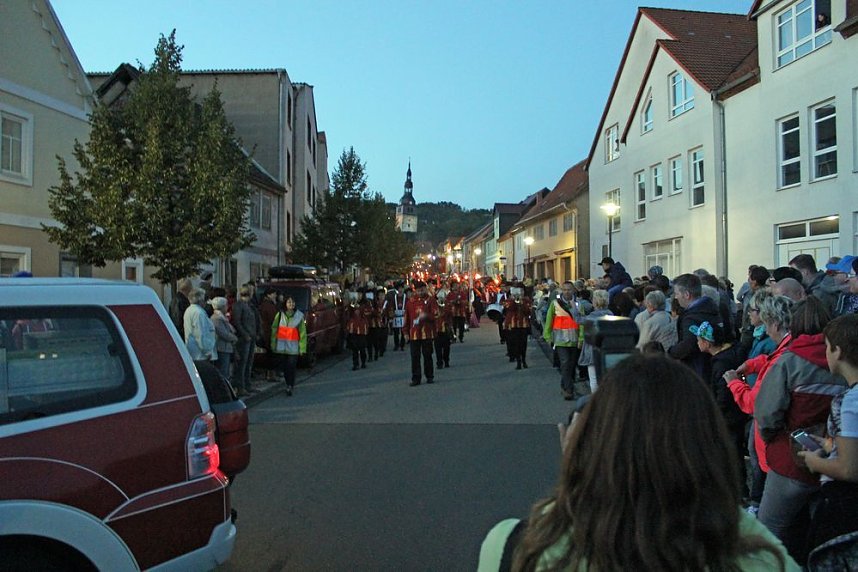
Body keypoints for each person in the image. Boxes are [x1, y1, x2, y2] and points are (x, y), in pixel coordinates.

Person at [478, 354, 797, 571]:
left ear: (581, 439)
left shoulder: (514, 545)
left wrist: (575, 473)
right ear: (710, 446)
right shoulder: (758, 554)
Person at [753, 297, 846, 560]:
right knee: (818, 539)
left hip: (790, 462)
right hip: (837, 461)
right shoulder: (847, 361)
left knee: (768, 536)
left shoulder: (789, 361)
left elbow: (767, 413)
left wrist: (771, 438)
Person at [798, 314, 858, 557]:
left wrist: (815, 462)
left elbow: (849, 469)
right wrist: (831, 444)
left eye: (827, 347)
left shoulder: (849, 400)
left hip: (845, 504)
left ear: (839, 351)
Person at [693, 320, 749, 499]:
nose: (696, 342)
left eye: (699, 339)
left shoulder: (720, 364)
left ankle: (737, 492)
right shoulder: (730, 354)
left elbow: (723, 397)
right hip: (738, 415)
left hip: (728, 418)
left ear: (707, 343)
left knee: (730, 455)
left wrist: (713, 416)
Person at [668, 273, 721, 379]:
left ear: (686, 295)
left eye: (677, 293)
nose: (676, 297)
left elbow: (689, 344)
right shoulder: (711, 308)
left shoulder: (692, 317)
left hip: (697, 369)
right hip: (713, 365)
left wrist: (670, 352)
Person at [543, 281, 583, 401]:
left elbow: (582, 323)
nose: (567, 292)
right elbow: (549, 320)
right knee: (565, 363)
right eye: (564, 289)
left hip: (574, 340)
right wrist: (547, 336)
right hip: (560, 340)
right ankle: (568, 390)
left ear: (573, 290)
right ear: (561, 290)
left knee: (571, 365)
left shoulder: (578, 304)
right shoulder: (555, 304)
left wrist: (581, 338)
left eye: (569, 289)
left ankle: (564, 384)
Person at [577, 289, 613, 394]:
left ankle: (597, 403)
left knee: (594, 380)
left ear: (595, 302)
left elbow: (578, 320)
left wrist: (574, 308)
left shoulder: (591, 317)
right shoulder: (611, 315)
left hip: (592, 351)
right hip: (607, 350)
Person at [270, 295, 307, 396]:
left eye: (293, 302)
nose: (291, 304)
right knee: (286, 368)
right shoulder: (280, 315)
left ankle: (290, 385)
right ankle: (288, 384)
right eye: (289, 302)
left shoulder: (299, 315)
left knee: (291, 367)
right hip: (281, 347)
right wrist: (273, 344)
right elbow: (274, 329)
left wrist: (302, 348)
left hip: (293, 347)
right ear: (285, 304)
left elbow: (303, 333)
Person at [404, 281, 439, 386]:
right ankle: (416, 378)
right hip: (414, 333)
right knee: (415, 357)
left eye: (422, 289)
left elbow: (436, 315)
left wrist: (426, 316)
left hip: (427, 333)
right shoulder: (410, 302)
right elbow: (407, 318)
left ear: (425, 289)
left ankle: (429, 376)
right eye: (418, 290)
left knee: (427, 355)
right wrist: (405, 332)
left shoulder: (431, 300)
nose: (420, 292)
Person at [230, 285, 258, 396]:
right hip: (243, 338)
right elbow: (237, 322)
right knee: (242, 363)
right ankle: (240, 386)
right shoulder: (238, 305)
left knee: (249, 362)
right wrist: (245, 334)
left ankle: (247, 384)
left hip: (251, 337)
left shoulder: (249, 305)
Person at [183, 287, 216, 362]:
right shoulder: (199, 313)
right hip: (200, 354)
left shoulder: (189, 310)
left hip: (194, 351)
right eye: (204, 299)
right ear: (200, 300)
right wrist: (207, 351)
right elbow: (200, 334)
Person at [210, 296, 238, 384]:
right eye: (226, 305)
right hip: (222, 347)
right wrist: (234, 338)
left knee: (226, 370)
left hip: (226, 347)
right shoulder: (216, 318)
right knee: (223, 371)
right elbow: (223, 333)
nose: (227, 307)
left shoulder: (222, 317)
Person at [503, 284, 531, 370]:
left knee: (523, 344)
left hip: (523, 325)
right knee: (515, 344)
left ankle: (524, 360)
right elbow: (508, 309)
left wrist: (522, 303)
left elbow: (528, 312)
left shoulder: (526, 300)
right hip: (513, 325)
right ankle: (518, 361)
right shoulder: (508, 300)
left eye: (521, 291)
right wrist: (514, 300)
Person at [344, 290, 370, 371]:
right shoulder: (352, 304)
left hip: (362, 328)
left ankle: (363, 362)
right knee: (354, 348)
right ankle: (355, 364)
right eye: (358, 294)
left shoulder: (366, 303)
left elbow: (367, 312)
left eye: (360, 294)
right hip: (353, 328)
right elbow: (348, 312)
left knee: (362, 347)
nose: (359, 295)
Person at [385, 282, 408, 351]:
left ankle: (402, 345)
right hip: (396, 316)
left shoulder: (406, 298)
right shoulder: (394, 297)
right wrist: (391, 315)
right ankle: (396, 345)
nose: (400, 290)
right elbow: (391, 306)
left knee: (403, 331)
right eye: (399, 288)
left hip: (403, 316)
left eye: (402, 288)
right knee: (396, 332)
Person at [434, 289, 453, 369]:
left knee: (446, 347)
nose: (441, 299)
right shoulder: (434, 306)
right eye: (439, 297)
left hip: (445, 328)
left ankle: (446, 360)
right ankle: (439, 362)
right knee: (437, 347)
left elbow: (450, 315)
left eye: (442, 297)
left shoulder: (447, 305)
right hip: (437, 329)